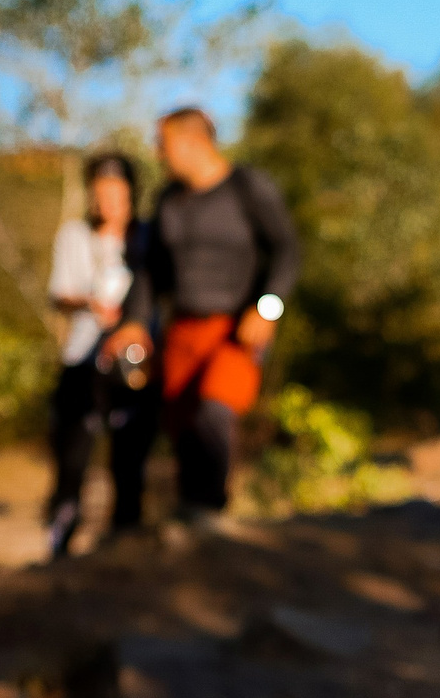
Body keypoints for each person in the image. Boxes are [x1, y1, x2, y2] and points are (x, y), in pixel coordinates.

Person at [110, 108, 302, 521]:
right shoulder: (167, 201)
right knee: (182, 427)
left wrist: (269, 308)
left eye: (163, 144)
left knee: (215, 409)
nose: (157, 154)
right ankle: (189, 518)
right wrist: (133, 323)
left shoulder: (247, 188)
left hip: (235, 330)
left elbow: (288, 250)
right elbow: (149, 273)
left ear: (193, 142)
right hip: (182, 331)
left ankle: (210, 512)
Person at [43, 153, 155, 559]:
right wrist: (89, 303)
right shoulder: (75, 236)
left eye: (114, 191)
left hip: (135, 364)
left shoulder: (148, 237)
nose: (105, 200)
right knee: (71, 461)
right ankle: (59, 545)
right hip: (83, 361)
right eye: (98, 192)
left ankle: (125, 548)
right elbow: (58, 294)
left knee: (129, 462)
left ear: (130, 192)